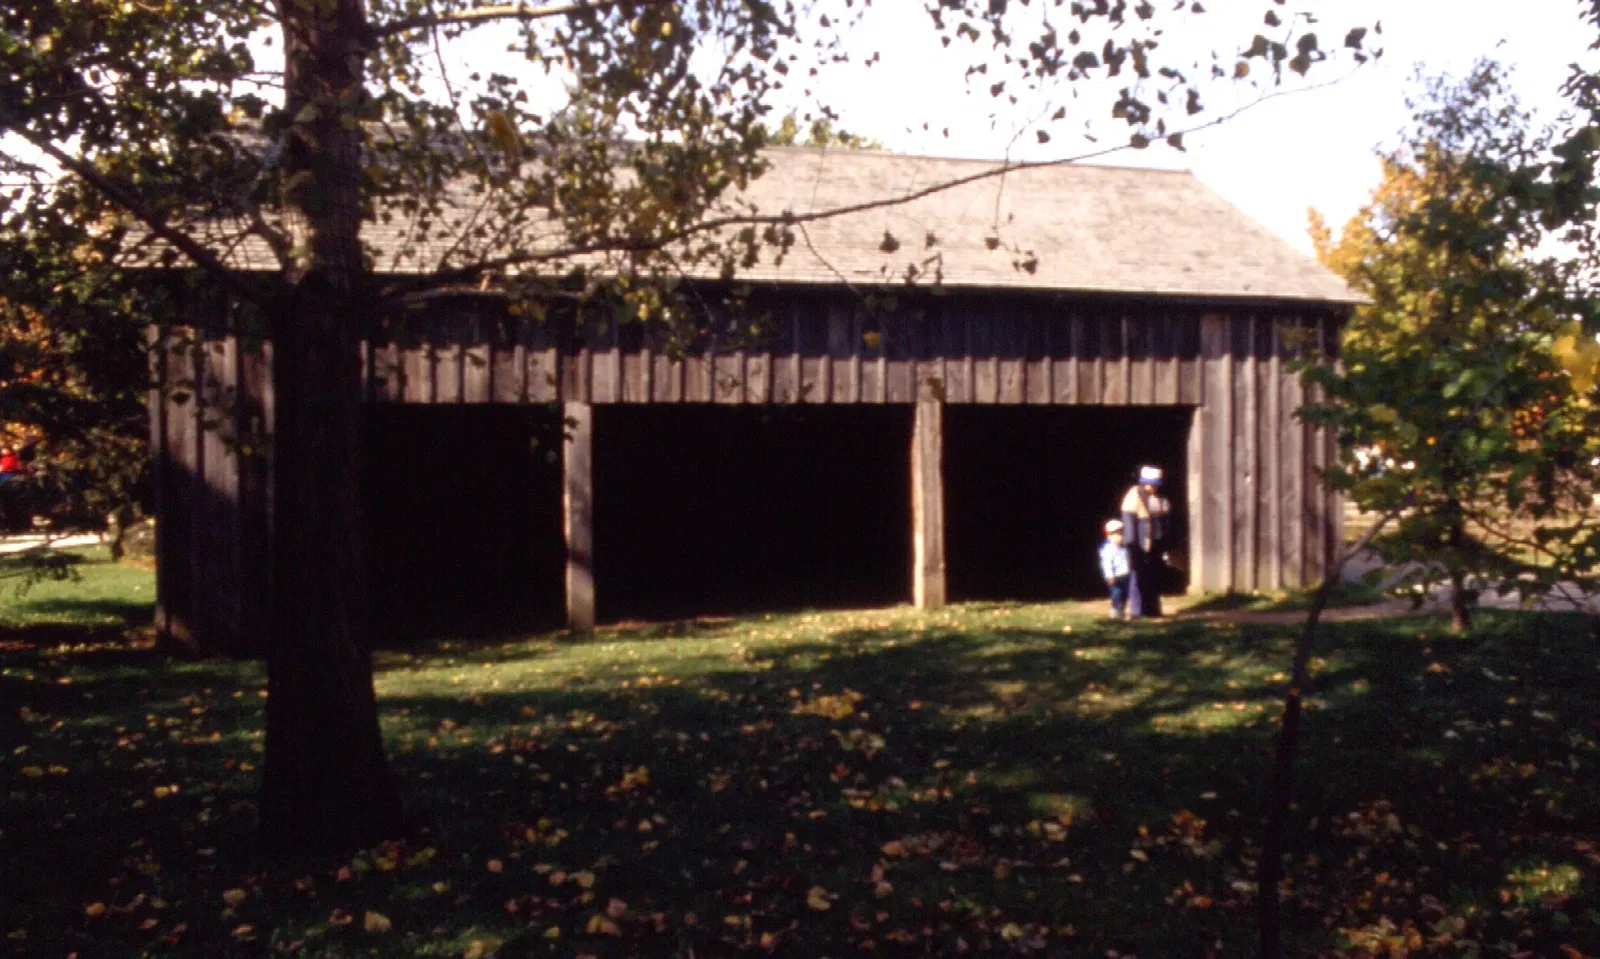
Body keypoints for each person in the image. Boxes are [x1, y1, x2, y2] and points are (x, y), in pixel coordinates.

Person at [1120, 465, 1173, 618]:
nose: (1153, 487)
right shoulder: (1133, 497)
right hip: (1139, 544)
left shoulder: (1161, 499)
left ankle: (1153, 609)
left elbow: (1166, 522)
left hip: (1156, 544)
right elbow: (1129, 524)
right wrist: (1131, 545)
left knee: (1153, 576)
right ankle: (1137, 610)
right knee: (1138, 577)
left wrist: (1166, 543)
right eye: (1151, 483)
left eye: (1156, 484)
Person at [1098, 519, 1131, 619]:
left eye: (1121, 534)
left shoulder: (1125, 548)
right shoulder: (1108, 549)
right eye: (1116, 535)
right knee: (1117, 594)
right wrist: (1109, 576)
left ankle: (1121, 611)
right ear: (1108, 536)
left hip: (1125, 574)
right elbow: (1106, 564)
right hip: (1114, 577)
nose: (1119, 537)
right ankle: (1115, 609)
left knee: (1125, 594)